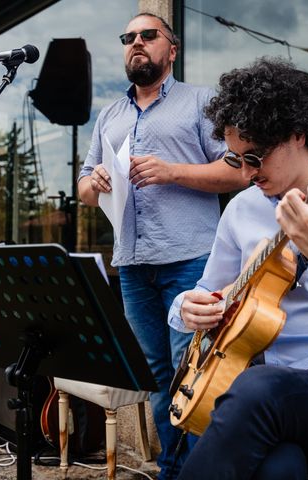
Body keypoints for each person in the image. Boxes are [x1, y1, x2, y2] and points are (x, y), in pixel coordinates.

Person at [168, 58, 308, 479]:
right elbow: (204, 291)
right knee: (279, 468)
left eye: (256, 157)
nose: (247, 175)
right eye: (237, 160)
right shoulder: (241, 210)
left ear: (298, 135)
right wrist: (188, 307)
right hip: (260, 394)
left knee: (258, 389)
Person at [77, 12, 247, 478]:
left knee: (193, 373)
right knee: (156, 378)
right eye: (128, 37)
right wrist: (96, 180)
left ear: (171, 50)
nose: (137, 42)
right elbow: (83, 188)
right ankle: (174, 471)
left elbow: (237, 170)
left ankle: (202, 471)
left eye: (148, 35)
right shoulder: (109, 115)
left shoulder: (200, 102)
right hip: (132, 264)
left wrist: (171, 170)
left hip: (192, 259)